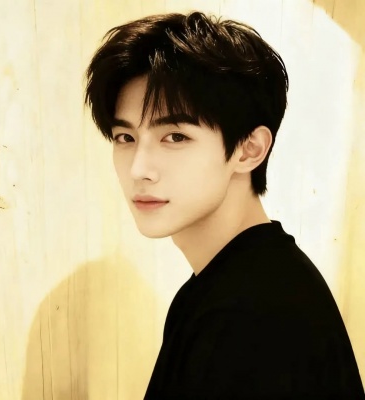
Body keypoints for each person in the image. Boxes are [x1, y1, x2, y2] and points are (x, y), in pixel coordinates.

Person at [84, 11, 365, 399]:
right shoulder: (233, 283)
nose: (139, 169)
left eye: (175, 137)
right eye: (125, 138)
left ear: (249, 150)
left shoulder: (253, 319)